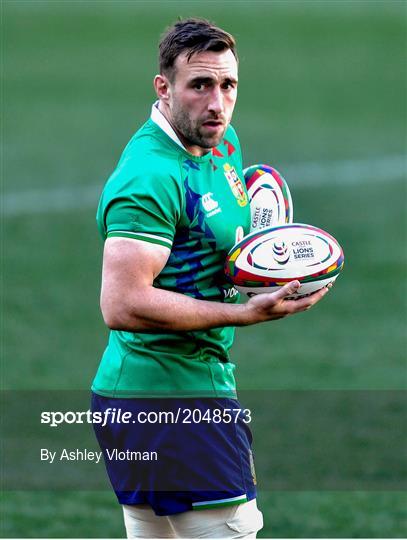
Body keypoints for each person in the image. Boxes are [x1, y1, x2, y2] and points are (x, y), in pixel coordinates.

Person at [91, 18, 329, 539]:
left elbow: (218, 235)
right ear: (165, 88)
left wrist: (271, 263)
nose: (216, 102)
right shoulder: (148, 177)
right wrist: (243, 313)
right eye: (199, 85)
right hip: (172, 394)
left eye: (228, 85)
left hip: (147, 395)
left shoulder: (220, 142)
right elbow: (122, 303)